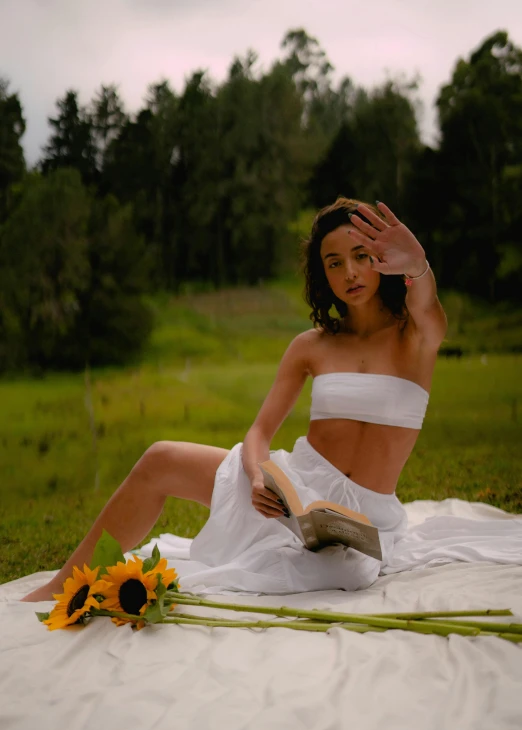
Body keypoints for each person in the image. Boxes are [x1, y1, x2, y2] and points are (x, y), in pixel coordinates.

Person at [21, 197, 448, 601]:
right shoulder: (311, 346)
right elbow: (260, 431)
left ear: (382, 260)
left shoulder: (415, 336)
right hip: (294, 492)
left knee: (343, 571)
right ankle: (65, 584)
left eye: (361, 256)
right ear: (323, 275)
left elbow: (426, 303)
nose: (350, 273)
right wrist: (259, 477)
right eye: (334, 263)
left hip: (362, 520)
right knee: (160, 458)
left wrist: (419, 266)